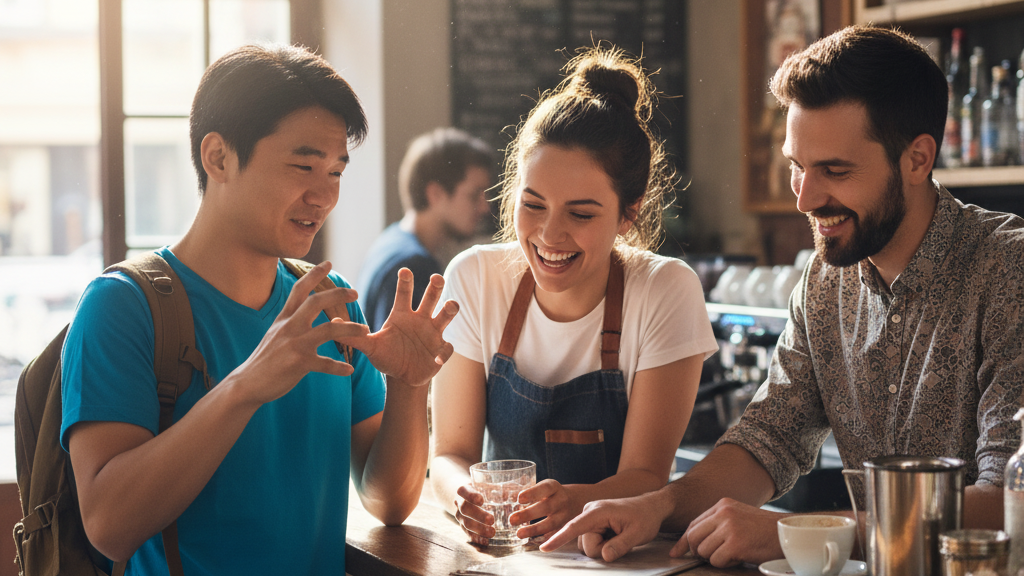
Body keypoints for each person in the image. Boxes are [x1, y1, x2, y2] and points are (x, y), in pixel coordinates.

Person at [541, 25, 1022, 567]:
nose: (805, 200)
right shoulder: (824, 281)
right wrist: (658, 506)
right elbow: (769, 440)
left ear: (917, 159)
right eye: (797, 167)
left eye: (834, 170)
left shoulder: (1008, 271)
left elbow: (1013, 500)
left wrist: (801, 533)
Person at [60, 44, 458, 575]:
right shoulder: (123, 305)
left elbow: (387, 500)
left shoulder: (330, 303)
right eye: (304, 166)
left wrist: (409, 386)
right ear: (218, 158)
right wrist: (245, 386)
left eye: (336, 172)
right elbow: (109, 528)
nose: (323, 196)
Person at [429, 45, 719, 547]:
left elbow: (647, 475)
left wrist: (574, 501)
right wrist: (464, 498)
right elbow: (449, 454)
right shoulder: (475, 278)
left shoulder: (665, 290)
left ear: (629, 213)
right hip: (507, 554)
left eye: (581, 214)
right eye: (533, 204)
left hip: (617, 556)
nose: (549, 235)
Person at [358, 128, 494, 332]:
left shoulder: (391, 240)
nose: (485, 207)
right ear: (435, 194)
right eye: (474, 195)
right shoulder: (414, 267)